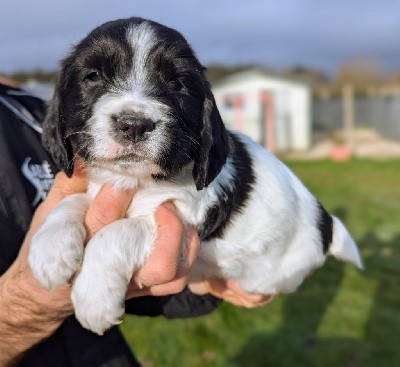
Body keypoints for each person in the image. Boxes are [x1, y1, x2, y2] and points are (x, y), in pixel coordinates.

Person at [0, 82, 272, 366]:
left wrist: (203, 279)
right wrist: (28, 302)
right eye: (95, 78)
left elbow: (99, 204)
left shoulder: (27, 107)